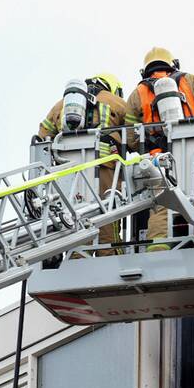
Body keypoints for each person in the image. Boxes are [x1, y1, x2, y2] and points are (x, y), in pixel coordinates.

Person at [124, 47, 194, 249]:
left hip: (159, 163)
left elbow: (129, 136)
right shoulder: (189, 80)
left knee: (161, 206)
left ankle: (157, 249)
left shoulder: (137, 93)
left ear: (145, 70)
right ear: (173, 64)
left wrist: (147, 149)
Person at [37, 73, 128, 254]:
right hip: (104, 169)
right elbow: (134, 135)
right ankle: (108, 257)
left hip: (70, 173)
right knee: (107, 215)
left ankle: (77, 258)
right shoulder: (114, 101)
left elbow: (42, 137)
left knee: (75, 219)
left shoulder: (61, 105)